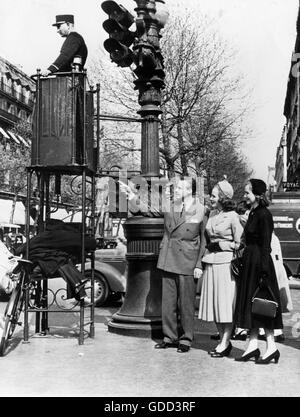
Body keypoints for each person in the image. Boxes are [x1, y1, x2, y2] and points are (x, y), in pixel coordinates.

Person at [120, 177, 206, 353]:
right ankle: (170, 337)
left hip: (188, 261)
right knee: (168, 302)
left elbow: (204, 240)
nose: (177, 191)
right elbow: (148, 210)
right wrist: (131, 196)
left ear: (190, 190)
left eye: (181, 188)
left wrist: (198, 265)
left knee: (186, 303)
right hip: (168, 258)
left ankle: (186, 338)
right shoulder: (171, 205)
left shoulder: (200, 209)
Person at [234, 179, 283, 364]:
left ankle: (271, 348)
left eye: (247, 192)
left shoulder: (264, 215)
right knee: (253, 307)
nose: (245, 195)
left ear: (258, 194)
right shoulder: (254, 212)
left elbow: (266, 246)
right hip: (251, 262)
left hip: (259, 265)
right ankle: (253, 346)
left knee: (263, 307)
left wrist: (264, 273)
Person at [198, 176, 243, 357]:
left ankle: (225, 341)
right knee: (215, 304)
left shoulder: (233, 217)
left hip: (225, 263)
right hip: (211, 261)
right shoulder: (212, 214)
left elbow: (241, 244)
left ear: (224, 197)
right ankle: (223, 339)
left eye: (214, 195)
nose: (211, 197)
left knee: (225, 304)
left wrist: (225, 245)